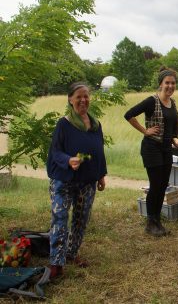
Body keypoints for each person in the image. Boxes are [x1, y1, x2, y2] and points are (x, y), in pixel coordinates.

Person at [46, 82, 107, 279]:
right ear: (70, 100)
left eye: (86, 96)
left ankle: (71, 254)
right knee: (60, 219)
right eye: (79, 96)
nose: (83, 100)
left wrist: (101, 175)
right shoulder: (64, 124)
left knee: (81, 220)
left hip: (87, 182)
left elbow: (99, 151)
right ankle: (56, 262)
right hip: (63, 180)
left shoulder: (96, 125)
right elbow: (55, 152)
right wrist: (68, 160)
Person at [124, 67, 178, 237]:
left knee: (163, 185)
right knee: (156, 185)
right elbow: (128, 115)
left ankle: (156, 220)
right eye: (167, 83)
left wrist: (176, 140)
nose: (170, 86)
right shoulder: (152, 101)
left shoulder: (172, 103)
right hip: (152, 148)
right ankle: (151, 223)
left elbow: (172, 128)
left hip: (166, 148)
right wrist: (145, 131)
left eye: (173, 83)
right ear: (160, 84)